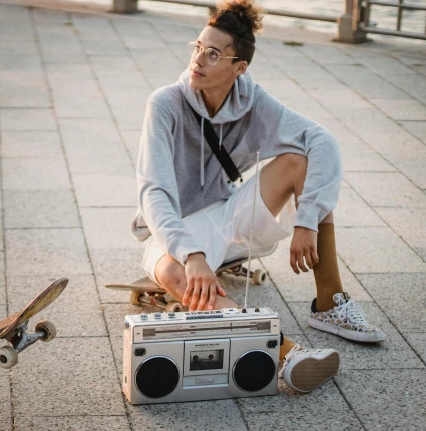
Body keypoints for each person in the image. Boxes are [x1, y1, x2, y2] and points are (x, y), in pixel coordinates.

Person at [131, 0, 386, 393]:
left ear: (239, 68)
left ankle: (329, 303)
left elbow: (322, 141)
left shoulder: (253, 102)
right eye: (197, 47)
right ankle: (285, 353)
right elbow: (155, 191)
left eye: (213, 54)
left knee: (299, 161)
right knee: (172, 272)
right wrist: (191, 254)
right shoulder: (165, 103)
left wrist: (307, 220)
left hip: (227, 212)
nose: (198, 59)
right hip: (172, 231)